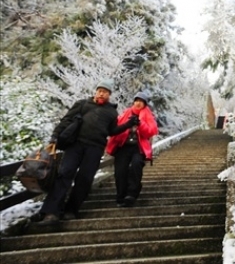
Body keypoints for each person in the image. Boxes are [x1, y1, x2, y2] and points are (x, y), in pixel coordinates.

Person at [37, 79, 133, 225]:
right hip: (75, 145)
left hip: (95, 149)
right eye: (99, 91)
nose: (101, 94)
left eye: (105, 92)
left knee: (85, 179)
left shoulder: (112, 112)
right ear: (95, 92)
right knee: (65, 174)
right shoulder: (82, 104)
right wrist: (55, 136)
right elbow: (66, 120)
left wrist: (127, 125)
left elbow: (111, 131)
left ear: (109, 95)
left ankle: (71, 210)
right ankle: (51, 212)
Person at [106, 92, 158, 207]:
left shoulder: (148, 116)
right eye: (136, 100)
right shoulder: (126, 113)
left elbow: (151, 131)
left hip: (138, 147)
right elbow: (117, 129)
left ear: (145, 104)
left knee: (136, 164)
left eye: (141, 101)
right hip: (123, 146)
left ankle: (131, 194)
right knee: (120, 170)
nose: (138, 103)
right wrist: (128, 123)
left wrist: (140, 124)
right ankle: (121, 195)